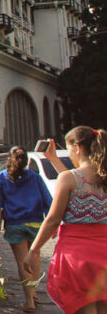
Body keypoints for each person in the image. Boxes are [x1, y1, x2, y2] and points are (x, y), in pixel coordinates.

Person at [24, 127, 107, 314]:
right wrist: (53, 160)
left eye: (68, 148)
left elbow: (53, 219)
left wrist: (33, 250)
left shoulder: (68, 178)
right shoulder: (103, 177)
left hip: (77, 257)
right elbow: (79, 183)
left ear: (77, 148)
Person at [0, 146, 53, 312]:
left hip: (15, 224)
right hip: (36, 224)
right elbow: (48, 199)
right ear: (26, 161)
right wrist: (52, 223)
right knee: (35, 258)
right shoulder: (35, 177)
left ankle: (29, 301)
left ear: (9, 159)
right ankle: (33, 291)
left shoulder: (2, 177)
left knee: (21, 262)